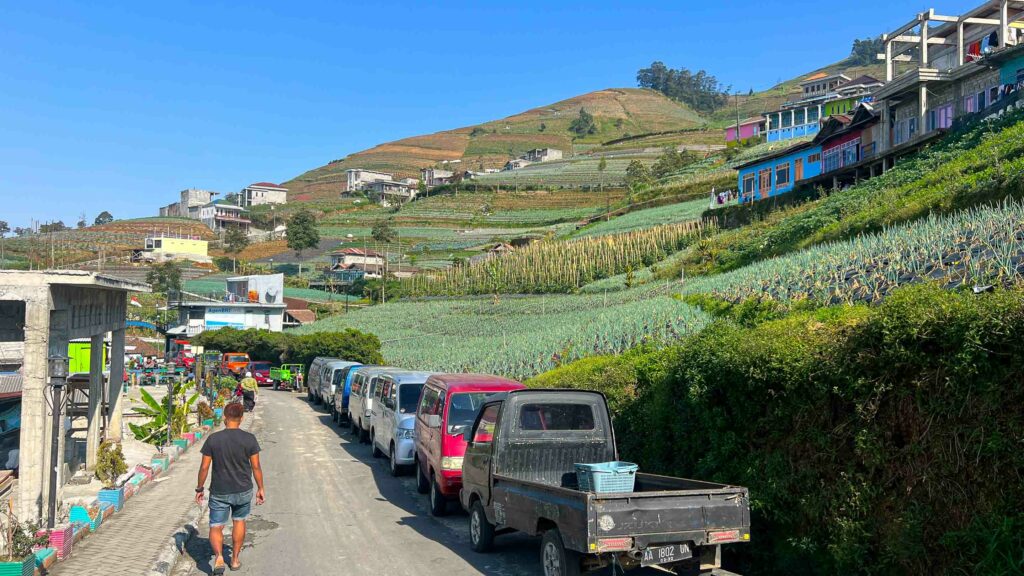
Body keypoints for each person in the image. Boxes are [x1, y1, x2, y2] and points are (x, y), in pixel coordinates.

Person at [196, 403, 265, 574]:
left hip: (219, 490)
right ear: (241, 419)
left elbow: (204, 467)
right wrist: (260, 488)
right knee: (239, 521)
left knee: (216, 525)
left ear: (225, 417)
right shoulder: (249, 439)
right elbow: (256, 467)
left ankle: (219, 556)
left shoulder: (213, 439)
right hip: (243, 489)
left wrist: (199, 488)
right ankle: (234, 560)